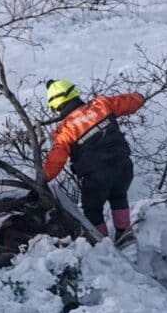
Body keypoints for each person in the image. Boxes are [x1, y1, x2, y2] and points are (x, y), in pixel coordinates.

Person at [42, 79, 145, 246]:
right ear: (75, 93)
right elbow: (130, 102)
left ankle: (102, 244)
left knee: (92, 210)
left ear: (55, 106)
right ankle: (125, 233)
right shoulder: (101, 105)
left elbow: (56, 160)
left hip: (96, 177)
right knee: (118, 195)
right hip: (123, 166)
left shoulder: (65, 131)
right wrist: (139, 97)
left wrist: (43, 177)